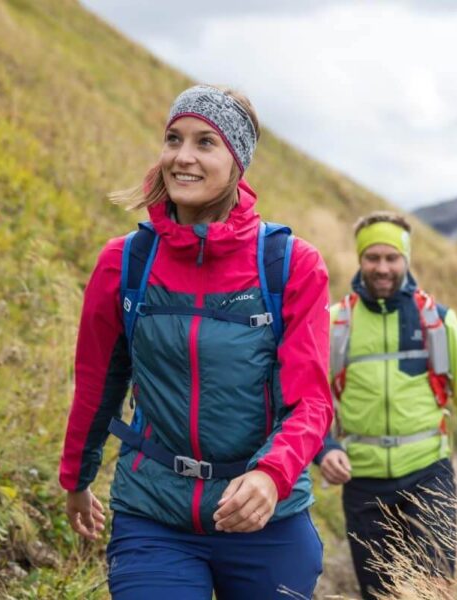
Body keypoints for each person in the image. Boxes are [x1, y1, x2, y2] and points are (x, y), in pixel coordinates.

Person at [59, 84, 332, 599]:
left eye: (206, 142)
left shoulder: (290, 265)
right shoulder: (125, 262)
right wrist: (76, 477)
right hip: (153, 514)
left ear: (237, 163)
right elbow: (98, 383)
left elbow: (312, 401)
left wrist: (271, 477)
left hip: (264, 520)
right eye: (173, 139)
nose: (183, 157)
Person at [315, 212, 457, 599]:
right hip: (363, 482)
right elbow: (309, 400)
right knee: (378, 591)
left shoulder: (438, 321)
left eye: (391, 258)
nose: (382, 268)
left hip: (428, 475)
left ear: (405, 260)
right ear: (360, 260)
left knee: (434, 588)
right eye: (373, 258)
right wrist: (325, 449)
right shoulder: (334, 323)